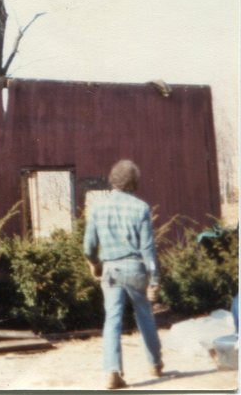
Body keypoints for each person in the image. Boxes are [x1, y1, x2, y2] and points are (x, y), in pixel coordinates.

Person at [83, 159, 164, 390]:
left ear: (113, 180)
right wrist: (154, 279)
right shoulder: (141, 208)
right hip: (135, 268)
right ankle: (155, 364)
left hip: (110, 269)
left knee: (113, 320)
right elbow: (148, 249)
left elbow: (88, 246)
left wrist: (94, 264)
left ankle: (113, 372)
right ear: (134, 182)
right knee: (145, 315)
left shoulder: (98, 207)